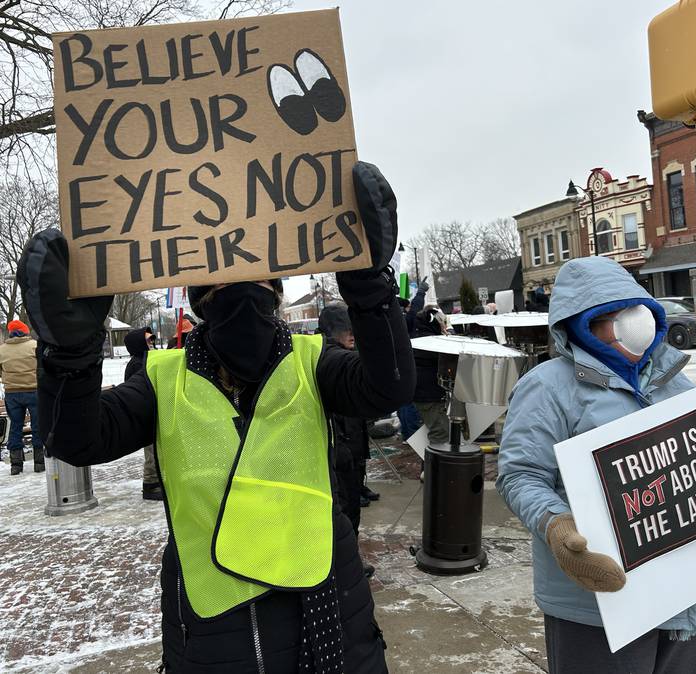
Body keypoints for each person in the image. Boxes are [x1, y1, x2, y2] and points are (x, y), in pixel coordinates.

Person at [19, 162, 414, 673]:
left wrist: (370, 289)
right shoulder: (163, 380)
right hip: (216, 638)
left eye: (255, 277)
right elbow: (74, 440)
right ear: (197, 299)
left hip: (329, 619)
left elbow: (389, 386)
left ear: (274, 291)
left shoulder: (313, 363)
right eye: (220, 281)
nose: (240, 290)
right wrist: (70, 358)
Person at [497, 256, 696, 674]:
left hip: (687, 593)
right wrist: (556, 526)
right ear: (581, 324)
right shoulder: (547, 386)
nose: (629, 322)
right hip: (599, 601)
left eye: (631, 308)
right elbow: (521, 475)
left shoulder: (671, 376)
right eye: (609, 314)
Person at [318, 304, 376, 577]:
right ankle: (343, 564)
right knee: (342, 511)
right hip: (339, 453)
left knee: (350, 508)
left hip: (351, 449)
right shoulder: (326, 360)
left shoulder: (346, 357)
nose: (351, 334)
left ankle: (347, 559)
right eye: (345, 329)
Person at [124, 327, 162, 501]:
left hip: (154, 410)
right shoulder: (137, 364)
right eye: (148, 340)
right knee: (151, 450)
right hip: (146, 412)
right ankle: (150, 484)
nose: (152, 343)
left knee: (157, 449)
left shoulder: (148, 359)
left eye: (152, 339)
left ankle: (156, 481)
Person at [0, 319, 43, 474]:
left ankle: (16, 465)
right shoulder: (34, 346)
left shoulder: (2, 350)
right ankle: (39, 463)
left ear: (10, 333)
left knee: (15, 427)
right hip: (34, 391)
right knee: (38, 425)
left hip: (12, 393)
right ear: (25, 331)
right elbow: (42, 366)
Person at [412, 305, 450, 446]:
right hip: (430, 394)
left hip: (424, 393)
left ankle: (430, 465)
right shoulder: (430, 342)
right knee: (440, 433)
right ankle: (436, 466)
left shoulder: (418, 335)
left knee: (434, 430)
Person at [396, 277, 429, 440]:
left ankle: (407, 434)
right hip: (404, 367)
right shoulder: (399, 321)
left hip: (395, 369)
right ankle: (412, 436)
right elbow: (415, 311)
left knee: (402, 403)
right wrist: (421, 293)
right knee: (408, 403)